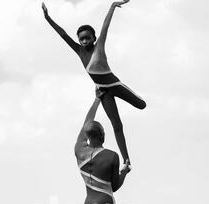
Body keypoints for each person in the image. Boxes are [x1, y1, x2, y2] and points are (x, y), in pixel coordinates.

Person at [42, 0, 146, 165]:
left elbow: (105, 26)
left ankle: (127, 156)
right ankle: (127, 160)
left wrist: (112, 6)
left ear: (93, 38)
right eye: (81, 39)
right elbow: (63, 34)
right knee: (116, 125)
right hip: (103, 93)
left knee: (142, 105)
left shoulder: (99, 46)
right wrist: (48, 18)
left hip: (115, 86)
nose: (84, 41)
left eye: (87, 38)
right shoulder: (79, 51)